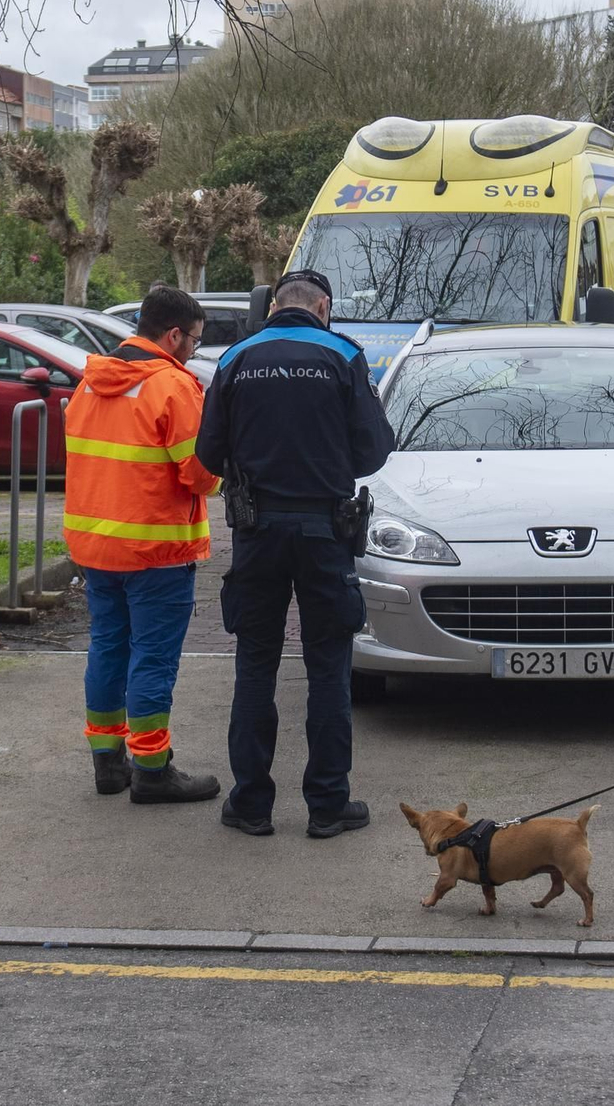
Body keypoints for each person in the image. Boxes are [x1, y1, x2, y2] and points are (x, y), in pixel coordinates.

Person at [197, 269, 396, 839]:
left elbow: (209, 450)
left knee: (255, 664)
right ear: (323, 307)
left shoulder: (236, 358)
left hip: (257, 531)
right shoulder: (343, 356)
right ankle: (328, 806)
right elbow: (376, 448)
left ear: (274, 306)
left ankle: (251, 804)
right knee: (329, 667)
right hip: (325, 530)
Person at [62, 284, 223, 805]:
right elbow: (200, 475)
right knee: (152, 658)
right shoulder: (172, 388)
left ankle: (108, 763)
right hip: (156, 551)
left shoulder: (91, 384)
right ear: (174, 335)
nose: (194, 351)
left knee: (107, 648)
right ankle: (152, 769)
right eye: (194, 341)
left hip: (96, 547)